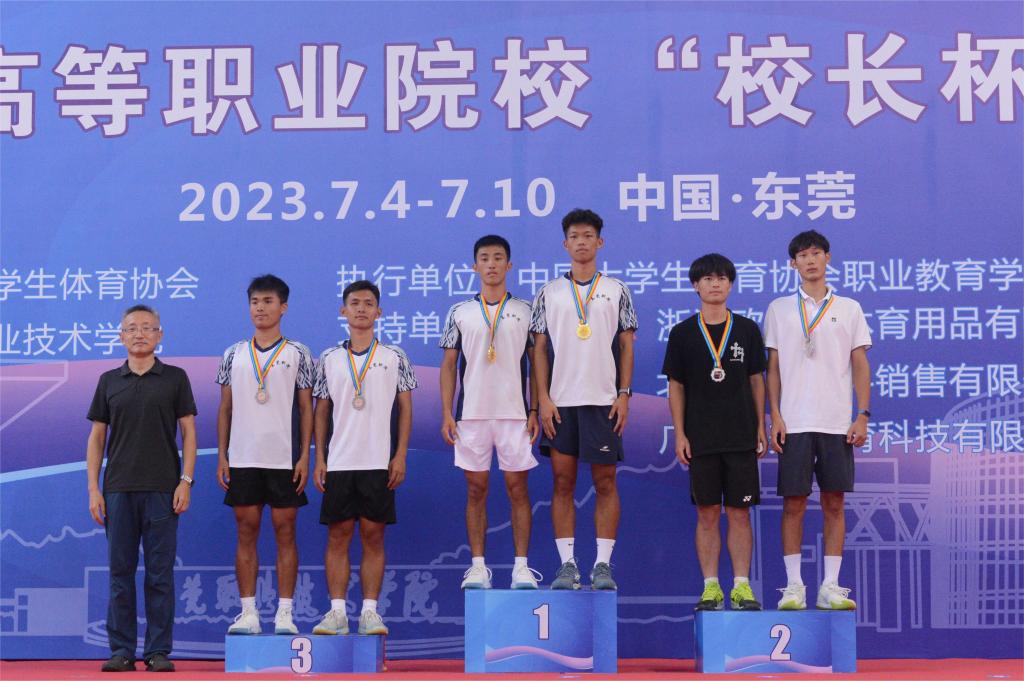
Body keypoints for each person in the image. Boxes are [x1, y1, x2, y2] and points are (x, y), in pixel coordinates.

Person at [530, 208, 638, 590]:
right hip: (561, 402)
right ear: (565, 244)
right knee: (563, 482)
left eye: (588, 235)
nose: (581, 242)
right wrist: (543, 398)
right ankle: (567, 566)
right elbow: (538, 349)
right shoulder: (549, 292)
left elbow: (627, 344)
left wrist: (623, 394)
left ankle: (603, 565)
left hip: (603, 399)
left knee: (605, 482)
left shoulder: (617, 289)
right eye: (574, 236)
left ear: (600, 242)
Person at [85, 305, 197, 672]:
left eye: (148, 328)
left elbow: (189, 433)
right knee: (120, 573)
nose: (139, 334)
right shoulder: (108, 381)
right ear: (121, 336)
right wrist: (93, 489)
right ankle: (121, 650)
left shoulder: (175, 378)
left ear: (159, 335)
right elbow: (97, 438)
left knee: (159, 574)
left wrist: (185, 481)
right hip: (118, 489)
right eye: (132, 328)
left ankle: (157, 651)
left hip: (163, 489)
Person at [764, 230, 871, 610]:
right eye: (802, 255)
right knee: (793, 504)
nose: (810, 261)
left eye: (816, 253)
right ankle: (794, 586)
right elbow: (773, 367)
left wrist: (862, 414)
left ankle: (830, 586)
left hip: (836, 422)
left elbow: (860, 363)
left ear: (828, 258)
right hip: (794, 422)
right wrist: (775, 415)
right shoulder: (779, 309)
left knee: (834, 503)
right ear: (792, 263)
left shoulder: (849, 308)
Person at [311, 280, 417, 635]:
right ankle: (337, 613)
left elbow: (405, 409)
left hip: (378, 461)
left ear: (379, 312)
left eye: (368, 303)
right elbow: (321, 410)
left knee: (373, 536)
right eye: (354, 303)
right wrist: (320, 458)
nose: (361, 309)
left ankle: (370, 612)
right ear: (343, 310)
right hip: (340, 462)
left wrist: (400, 455)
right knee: (338, 536)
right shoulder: (329, 358)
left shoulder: (394, 357)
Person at [662, 254, 767, 611]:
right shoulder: (682, 333)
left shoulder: (747, 329)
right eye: (707, 278)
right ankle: (710, 587)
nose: (715, 284)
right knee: (707, 513)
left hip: (740, 436)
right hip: (701, 438)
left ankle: (741, 586)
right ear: (696, 285)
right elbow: (676, 387)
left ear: (731, 284)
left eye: (721, 278)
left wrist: (761, 425)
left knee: (740, 513)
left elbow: (756, 380)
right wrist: (680, 433)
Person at [440, 235, 541, 590]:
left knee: (518, 489)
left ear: (509, 265)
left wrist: (534, 408)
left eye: (498, 258)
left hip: (515, 414)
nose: (492, 264)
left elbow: (537, 363)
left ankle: (521, 568)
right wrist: (447, 413)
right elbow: (448, 365)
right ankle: (478, 567)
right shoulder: (459, 312)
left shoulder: (527, 310)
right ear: (475, 266)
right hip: (471, 414)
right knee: (476, 490)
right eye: (485, 258)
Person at [216, 275, 315, 635]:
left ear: (283, 307)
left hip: (284, 458)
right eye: (255, 302)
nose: (260, 308)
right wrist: (223, 456)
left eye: (268, 301)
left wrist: (304, 456)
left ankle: (285, 613)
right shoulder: (233, 354)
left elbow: (306, 409)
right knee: (246, 531)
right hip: (243, 458)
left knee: (285, 532)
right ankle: (248, 613)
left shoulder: (299, 353)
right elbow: (225, 409)